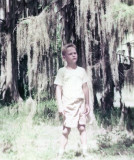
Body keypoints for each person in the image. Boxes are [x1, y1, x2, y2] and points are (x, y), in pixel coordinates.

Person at [54, 43, 90, 157]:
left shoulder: (81, 71)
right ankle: (60, 153)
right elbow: (58, 89)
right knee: (65, 130)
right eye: (70, 54)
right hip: (68, 104)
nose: (74, 55)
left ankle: (85, 152)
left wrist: (87, 104)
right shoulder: (62, 71)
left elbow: (85, 88)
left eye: (75, 53)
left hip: (80, 104)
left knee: (82, 127)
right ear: (64, 57)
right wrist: (60, 105)